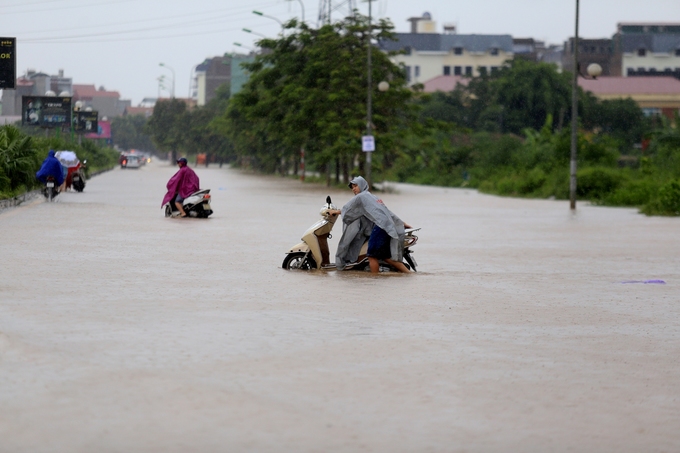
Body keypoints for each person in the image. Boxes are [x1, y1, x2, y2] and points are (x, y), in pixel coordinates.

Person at [330, 176, 412, 273]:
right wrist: (401, 223)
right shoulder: (373, 197)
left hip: (380, 226)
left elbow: (347, 209)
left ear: (362, 185)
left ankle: (373, 280)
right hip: (386, 226)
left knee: (372, 256)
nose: (354, 189)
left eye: (356, 186)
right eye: (352, 187)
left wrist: (334, 211)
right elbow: (387, 212)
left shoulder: (361, 197)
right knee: (385, 256)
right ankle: (408, 274)